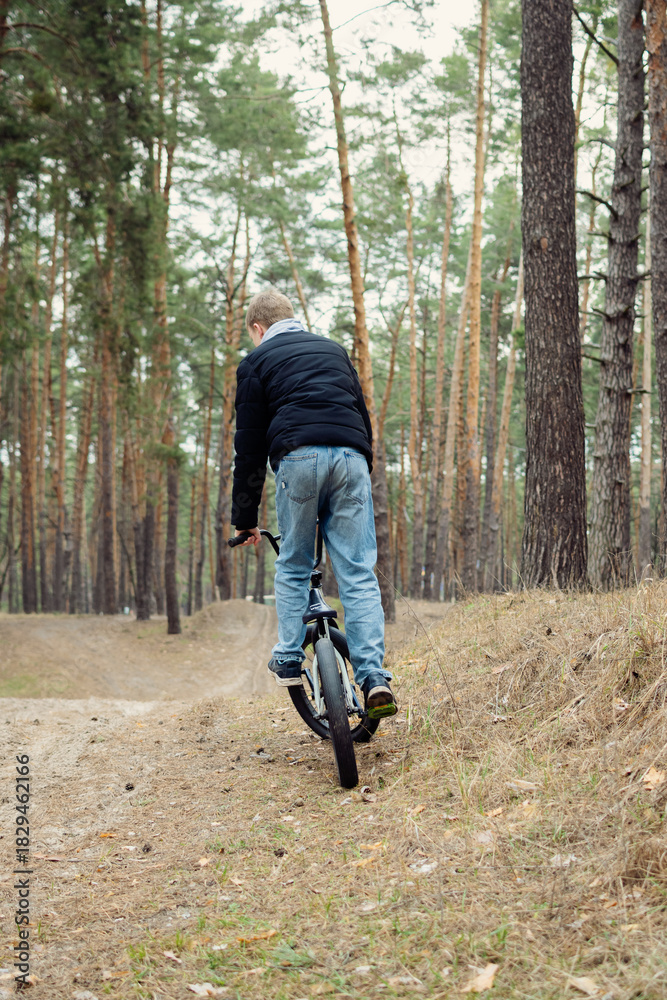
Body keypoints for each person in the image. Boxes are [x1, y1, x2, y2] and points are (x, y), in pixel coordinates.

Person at [230, 287, 397, 719]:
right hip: (351, 458)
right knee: (358, 572)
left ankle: (288, 655)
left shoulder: (255, 362)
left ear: (257, 327)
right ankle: (373, 677)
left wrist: (245, 520)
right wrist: (361, 469)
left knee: (294, 563)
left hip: (298, 457)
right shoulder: (334, 350)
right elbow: (361, 414)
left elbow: (248, 448)